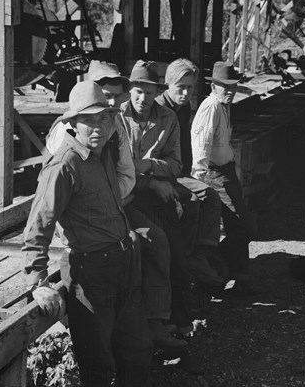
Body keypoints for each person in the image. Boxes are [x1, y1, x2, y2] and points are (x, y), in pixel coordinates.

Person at [22, 81, 159, 387]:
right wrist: (37, 281)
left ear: (114, 120)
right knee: (99, 365)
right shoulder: (64, 165)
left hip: (124, 264)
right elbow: (39, 225)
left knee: (137, 351)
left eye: (104, 119)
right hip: (91, 274)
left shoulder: (104, 154)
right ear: (74, 124)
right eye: (88, 121)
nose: (97, 128)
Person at [46, 61, 187, 352]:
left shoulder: (114, 125)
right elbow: (51, 207)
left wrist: (117, 196)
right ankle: (137, 325)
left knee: (159, 236)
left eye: (113, 96)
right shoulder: (69, 139)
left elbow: (126, 174)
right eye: (103, 93)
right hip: (84, 227)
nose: (109, 102)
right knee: (134, 244)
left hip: (118, 206)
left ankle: (153, 320)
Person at [190, 61, 261, 295]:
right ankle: (209, 269)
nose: (229, 91)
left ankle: (239, 277)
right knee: (242, 226)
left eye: (233, 87)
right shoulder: (210, 107)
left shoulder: (224, 105)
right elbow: (201, 142)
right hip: (213, 173)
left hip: (226, 171)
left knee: (238, 226)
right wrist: (199, 177)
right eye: (224, 86)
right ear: (214, 86)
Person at [156, 58, 225, 281]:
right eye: (181, 87)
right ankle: (183, 258)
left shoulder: (182, 108)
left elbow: (185, 145)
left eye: (190, 88)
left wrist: (192, 173)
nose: (186, 93)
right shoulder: (159, 109)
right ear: (168, 84)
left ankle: (200, 255)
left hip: (178, 171)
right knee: (193, 201)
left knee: (211, 196)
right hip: (158, 172)